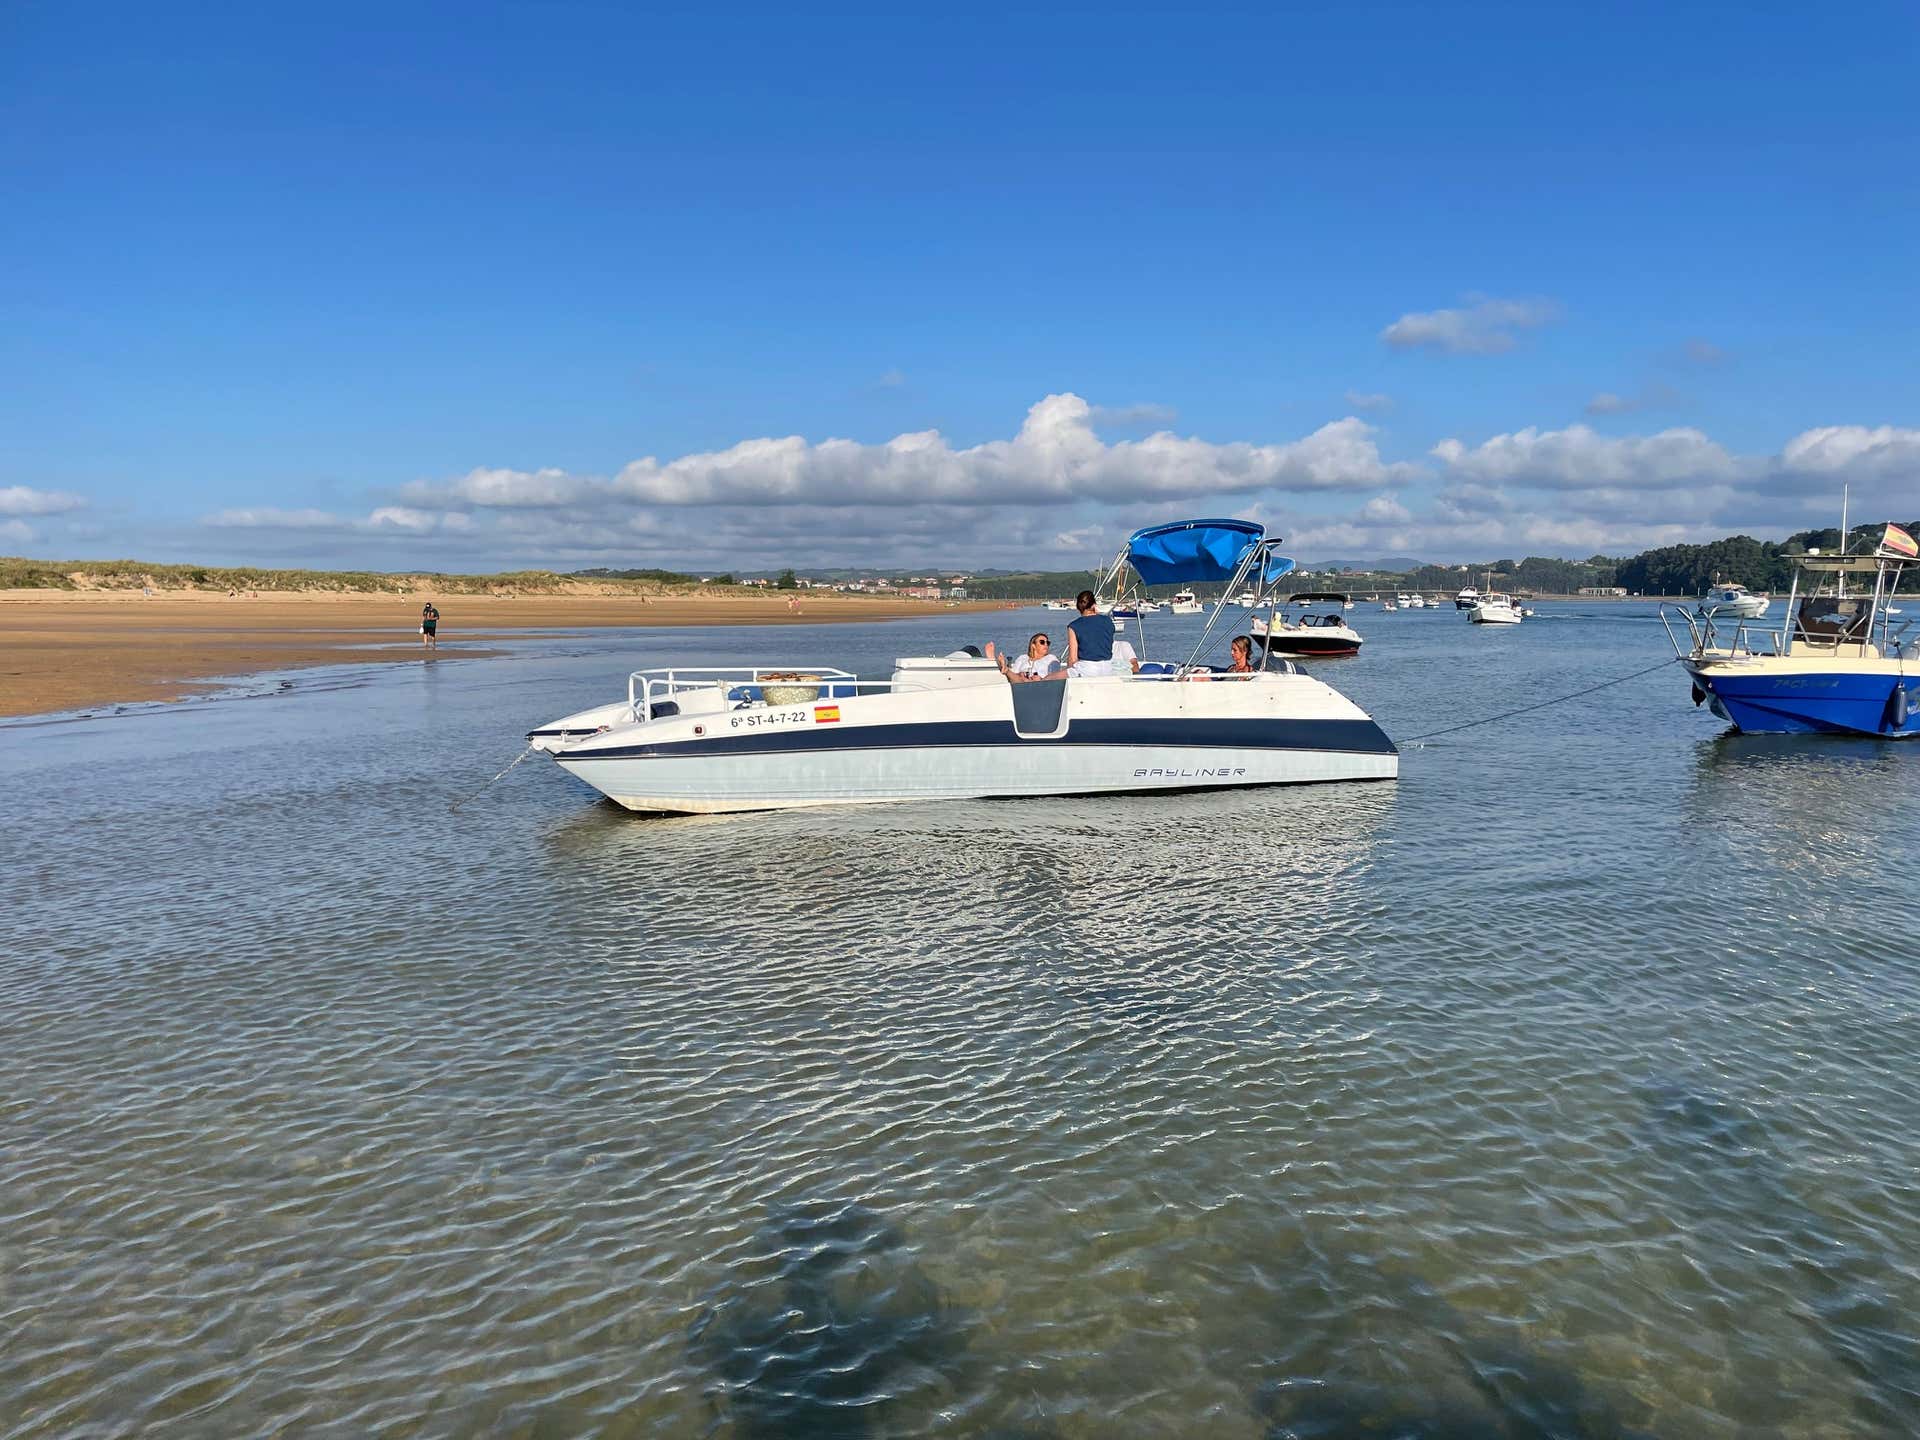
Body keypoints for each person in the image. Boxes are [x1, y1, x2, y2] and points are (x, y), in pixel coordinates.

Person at [1063, 590, 1116, 676]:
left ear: (1078, 607)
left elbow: (1073, 658)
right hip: (1107, 668)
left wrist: (1069, 673)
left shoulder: (1074, 626)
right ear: (1094, 605)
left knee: (1049, 678)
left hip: (1087, 668)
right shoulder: (1108, 621)